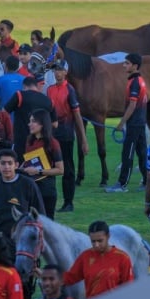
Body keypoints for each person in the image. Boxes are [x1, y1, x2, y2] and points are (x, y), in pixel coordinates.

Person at [46, 59, 89, 212]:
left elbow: (77, 117)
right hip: (51, 136)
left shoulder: (69, 90)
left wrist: (83, 140)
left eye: (60, 70)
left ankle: (68, 202)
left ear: (66, 72)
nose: (57, 72)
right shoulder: (49, 90)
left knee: (68, 170)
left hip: (66, 136)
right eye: (55, 70)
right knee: (48, 168)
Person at [105, 53, 148, 193]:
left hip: (134, 123)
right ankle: (147, 182)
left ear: (135, 66)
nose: (124, 65)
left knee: (127, 154)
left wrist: (122, 123)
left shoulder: (135, 82)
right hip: (140, 122)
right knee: (142, 153)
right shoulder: (139, 80)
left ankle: (122, 184)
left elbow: (132, 105)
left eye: (127, 63)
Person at [63, 220, 134, 299]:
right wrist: (51, 280)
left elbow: (128, 287)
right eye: (93, 241)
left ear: (108, 236)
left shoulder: (122, 258)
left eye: (100, 241)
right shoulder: (85, 256)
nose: (96, 245)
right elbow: (70, 277)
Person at [0, 149, 46, 239]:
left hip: (21, 238)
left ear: (16, 165)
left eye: (10, 163)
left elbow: (39, 215)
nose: (6, 167)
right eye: (3, 163)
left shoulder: (28, 185)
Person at [20, 108, 64, 219]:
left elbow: (60, 170)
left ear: (42, 124)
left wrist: (38, 171)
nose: (29, 124)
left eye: (33, 121)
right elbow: (28, 161)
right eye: (29, 121)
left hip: (47, 189)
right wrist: (19, 167)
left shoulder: (53, 143)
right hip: (31, 188)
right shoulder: (29, 140)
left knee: (47, 223)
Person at [4, 76, 57, 162]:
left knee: (21, 168)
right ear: (36, 86)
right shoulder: (49, 101)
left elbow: (4, 113)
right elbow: (55, 124)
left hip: (21, 141)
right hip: (42, 142)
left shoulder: (20, 95)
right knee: (39, 169)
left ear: (24, 86)